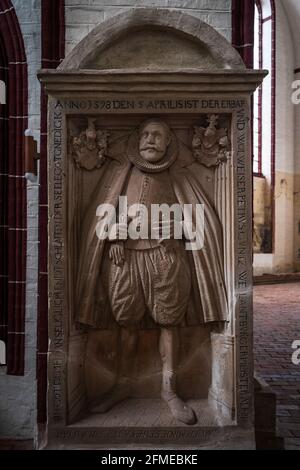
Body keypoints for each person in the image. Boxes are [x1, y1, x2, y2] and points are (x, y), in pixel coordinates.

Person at [76, 118, 228, 425]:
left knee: (169, 322)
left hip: (166, 258)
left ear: (170, 141)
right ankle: (122, 384)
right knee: (126, 323)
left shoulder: (180, 178)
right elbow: (101, 220)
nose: (150, 140)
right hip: (126, 261)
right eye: (145, 134)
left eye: (158, 135)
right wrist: (117, 235)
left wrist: (171, 226)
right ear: (136, 140)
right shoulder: (121, 174)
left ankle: (169, 389)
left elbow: (198, 225)